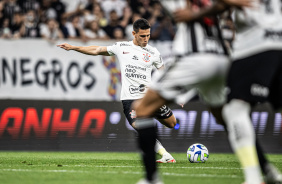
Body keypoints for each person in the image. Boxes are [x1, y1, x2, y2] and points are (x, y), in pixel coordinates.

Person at [57, 18, 177, 168]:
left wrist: (173, 92)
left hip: (149, 97)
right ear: (134, 33)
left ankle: (163, 152)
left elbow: (163, 74)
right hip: (130, 99)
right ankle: (165, 154)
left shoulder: (153, 52)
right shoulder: (122, 47)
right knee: (141, 127)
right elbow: (96, 50)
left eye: (148, 35)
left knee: (172, 123)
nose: (146, 39)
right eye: (142, 36)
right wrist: (74, 47)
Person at [132, 1, 230, 183]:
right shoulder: (213, 4)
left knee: (142, 109)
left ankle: (152, 178)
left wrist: (192, 16)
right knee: (230, 117)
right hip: (222, 57)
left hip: (194, 58)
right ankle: (262, 169)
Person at [217, 0, 282, 183]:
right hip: (278, 40)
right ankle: (267, 171)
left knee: (235, 109)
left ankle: (253, 178)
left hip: (256, 43)